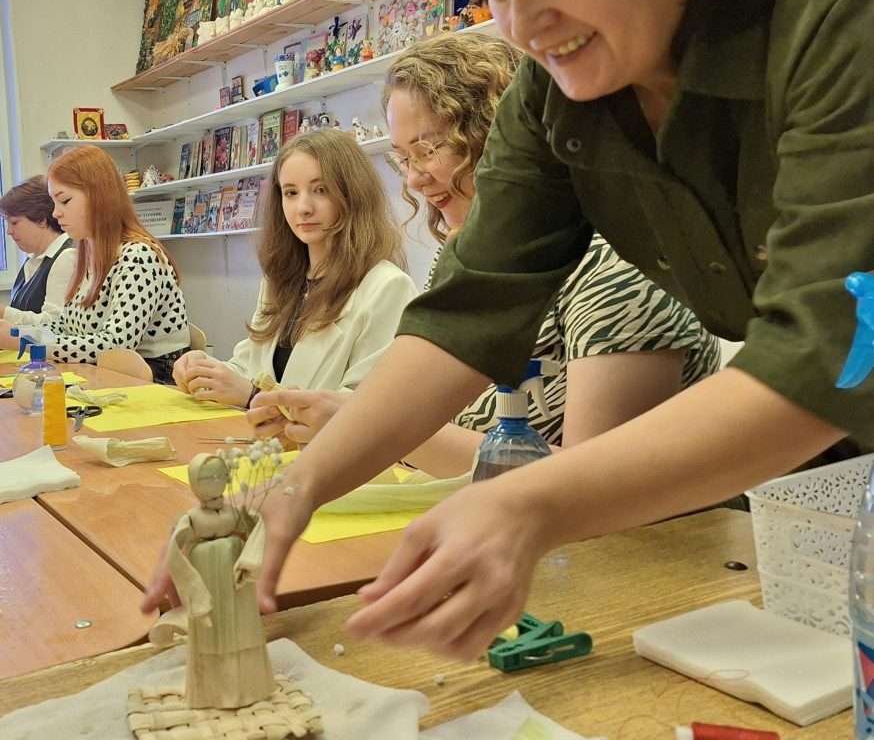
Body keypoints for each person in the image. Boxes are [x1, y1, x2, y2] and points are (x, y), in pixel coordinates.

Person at [146, 0, 870, 658]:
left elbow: (835, 347)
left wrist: (528, 500)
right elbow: (463, 314)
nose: (524, 24)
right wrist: (294, 491)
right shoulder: (555, 95)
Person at [249, 34, 720, 474]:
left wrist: (377, 431)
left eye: (430, 148)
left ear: (503, 135)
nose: (413, 179)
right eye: (403, 158)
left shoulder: (616, 263)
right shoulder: (467, 258)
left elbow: (596, 483)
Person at [172, 130, 418, 407]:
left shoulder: (387, 286)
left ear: (353, 195)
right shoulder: (279, 281)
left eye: (320, 190)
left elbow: (369, 411)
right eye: (290, 192)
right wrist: (204, 371)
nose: (303, 208)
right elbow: (247, 367)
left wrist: (254, 398)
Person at [0, 146, 189, 382]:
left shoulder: (139, 256)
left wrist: (26, 341)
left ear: (100, 197)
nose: (56, 214)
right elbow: (64, 326)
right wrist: (20, 332)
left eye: (65, 201)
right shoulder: (88, 256)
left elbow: (115, 345)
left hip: (157, 383)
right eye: (53, 203)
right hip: (107, 377)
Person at [0, 175, 75, 323]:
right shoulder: (31, 261)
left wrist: (3, 313)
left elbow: (54, 323)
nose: (9, 231)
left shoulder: (67, 257)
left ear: (41, 219)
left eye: (15, 223)